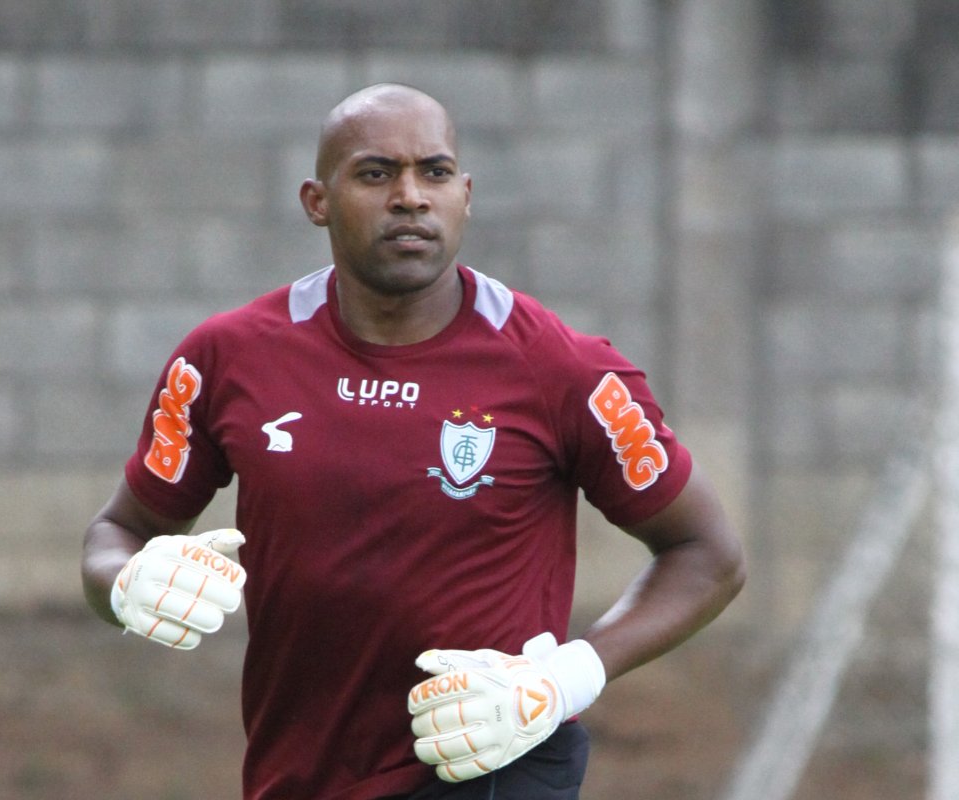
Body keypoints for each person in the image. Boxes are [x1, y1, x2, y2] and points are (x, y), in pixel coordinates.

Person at [82, 82, 746, 800]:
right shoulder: (228, 358)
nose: (410, 197)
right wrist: (124, 582)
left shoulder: (562, 367)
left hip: (486, 769)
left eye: (433, 173)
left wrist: (561, 681)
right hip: (295, 776)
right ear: (317, 201)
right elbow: (120, 529)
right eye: (375, 173)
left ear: (465, 194)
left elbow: (708, 555)